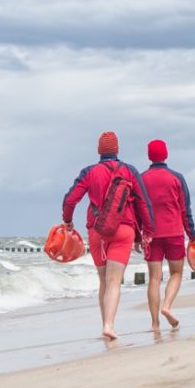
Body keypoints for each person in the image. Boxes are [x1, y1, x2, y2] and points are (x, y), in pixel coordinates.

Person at [62, 131, 154, 340]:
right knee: (114, 281)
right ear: (117, 149)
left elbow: (70, 200)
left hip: (97, 231)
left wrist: (67, 221)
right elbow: (143, 203)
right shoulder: (129, 171)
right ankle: (109, 325)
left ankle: (105, 324)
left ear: (99, 150)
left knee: (103, 280)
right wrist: (148, 232)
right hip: (124, 230)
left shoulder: (89, 172)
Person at [141, 139, 195, 331]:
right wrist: (193, 235)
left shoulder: (141, 179)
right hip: (174, 233)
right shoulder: (177, 178)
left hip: (151, 235)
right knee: (176, 273)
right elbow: (185, 210)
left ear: (149, 156)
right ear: (166, 155)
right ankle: (167, 307)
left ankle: (155, 324)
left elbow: (138, 210)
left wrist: (138, 234)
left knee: (154, 278)